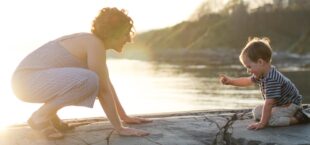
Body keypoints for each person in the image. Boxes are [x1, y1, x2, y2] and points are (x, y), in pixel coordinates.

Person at [11, 7, 152, 139]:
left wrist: (124, 117)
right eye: (126, 34)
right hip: (26, 82)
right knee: (90, 79)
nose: (129, 39)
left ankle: (48, 115)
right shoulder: (94, 44)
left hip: (26, 83)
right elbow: (103, 90)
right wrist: (120, 129)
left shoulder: (92, 43)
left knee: (92, 79)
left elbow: (106, 84)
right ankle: (40, 117)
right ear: (113, 34)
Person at [219, 37, 305, 130]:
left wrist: (262, 123)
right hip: (279, 105)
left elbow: (269, 103)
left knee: (271, 121)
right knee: (256, 112)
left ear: (260, 62)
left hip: (290, 105)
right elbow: (247, 81)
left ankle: (299, 118)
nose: (248, 71)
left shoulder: (272, 79)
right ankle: (281, 116)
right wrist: (231, 81)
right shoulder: (262, 74)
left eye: (249, 67)